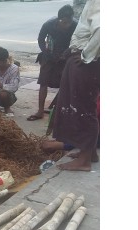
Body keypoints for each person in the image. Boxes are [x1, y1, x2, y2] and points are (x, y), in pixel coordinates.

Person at [52, 0, 99, 171]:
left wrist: (87, 55)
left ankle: (84, 160)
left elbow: (101, 29)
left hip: (87, 63)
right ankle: (89, 153)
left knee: (82, 108)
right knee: (85, 107)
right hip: (87, 60)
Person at [27, 4, 77, 121]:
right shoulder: (48, 24)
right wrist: (46, 53)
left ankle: (60, 110)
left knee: (65, 83)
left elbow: (78, 43)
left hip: (66, 55)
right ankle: (40, 111)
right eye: (64, 23)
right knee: (43, 82)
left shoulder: (75, 25)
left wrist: (66, 54)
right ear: (59, 19)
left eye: (69, 22)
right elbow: (40, 40)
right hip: (49, 55)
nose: (67, 25)